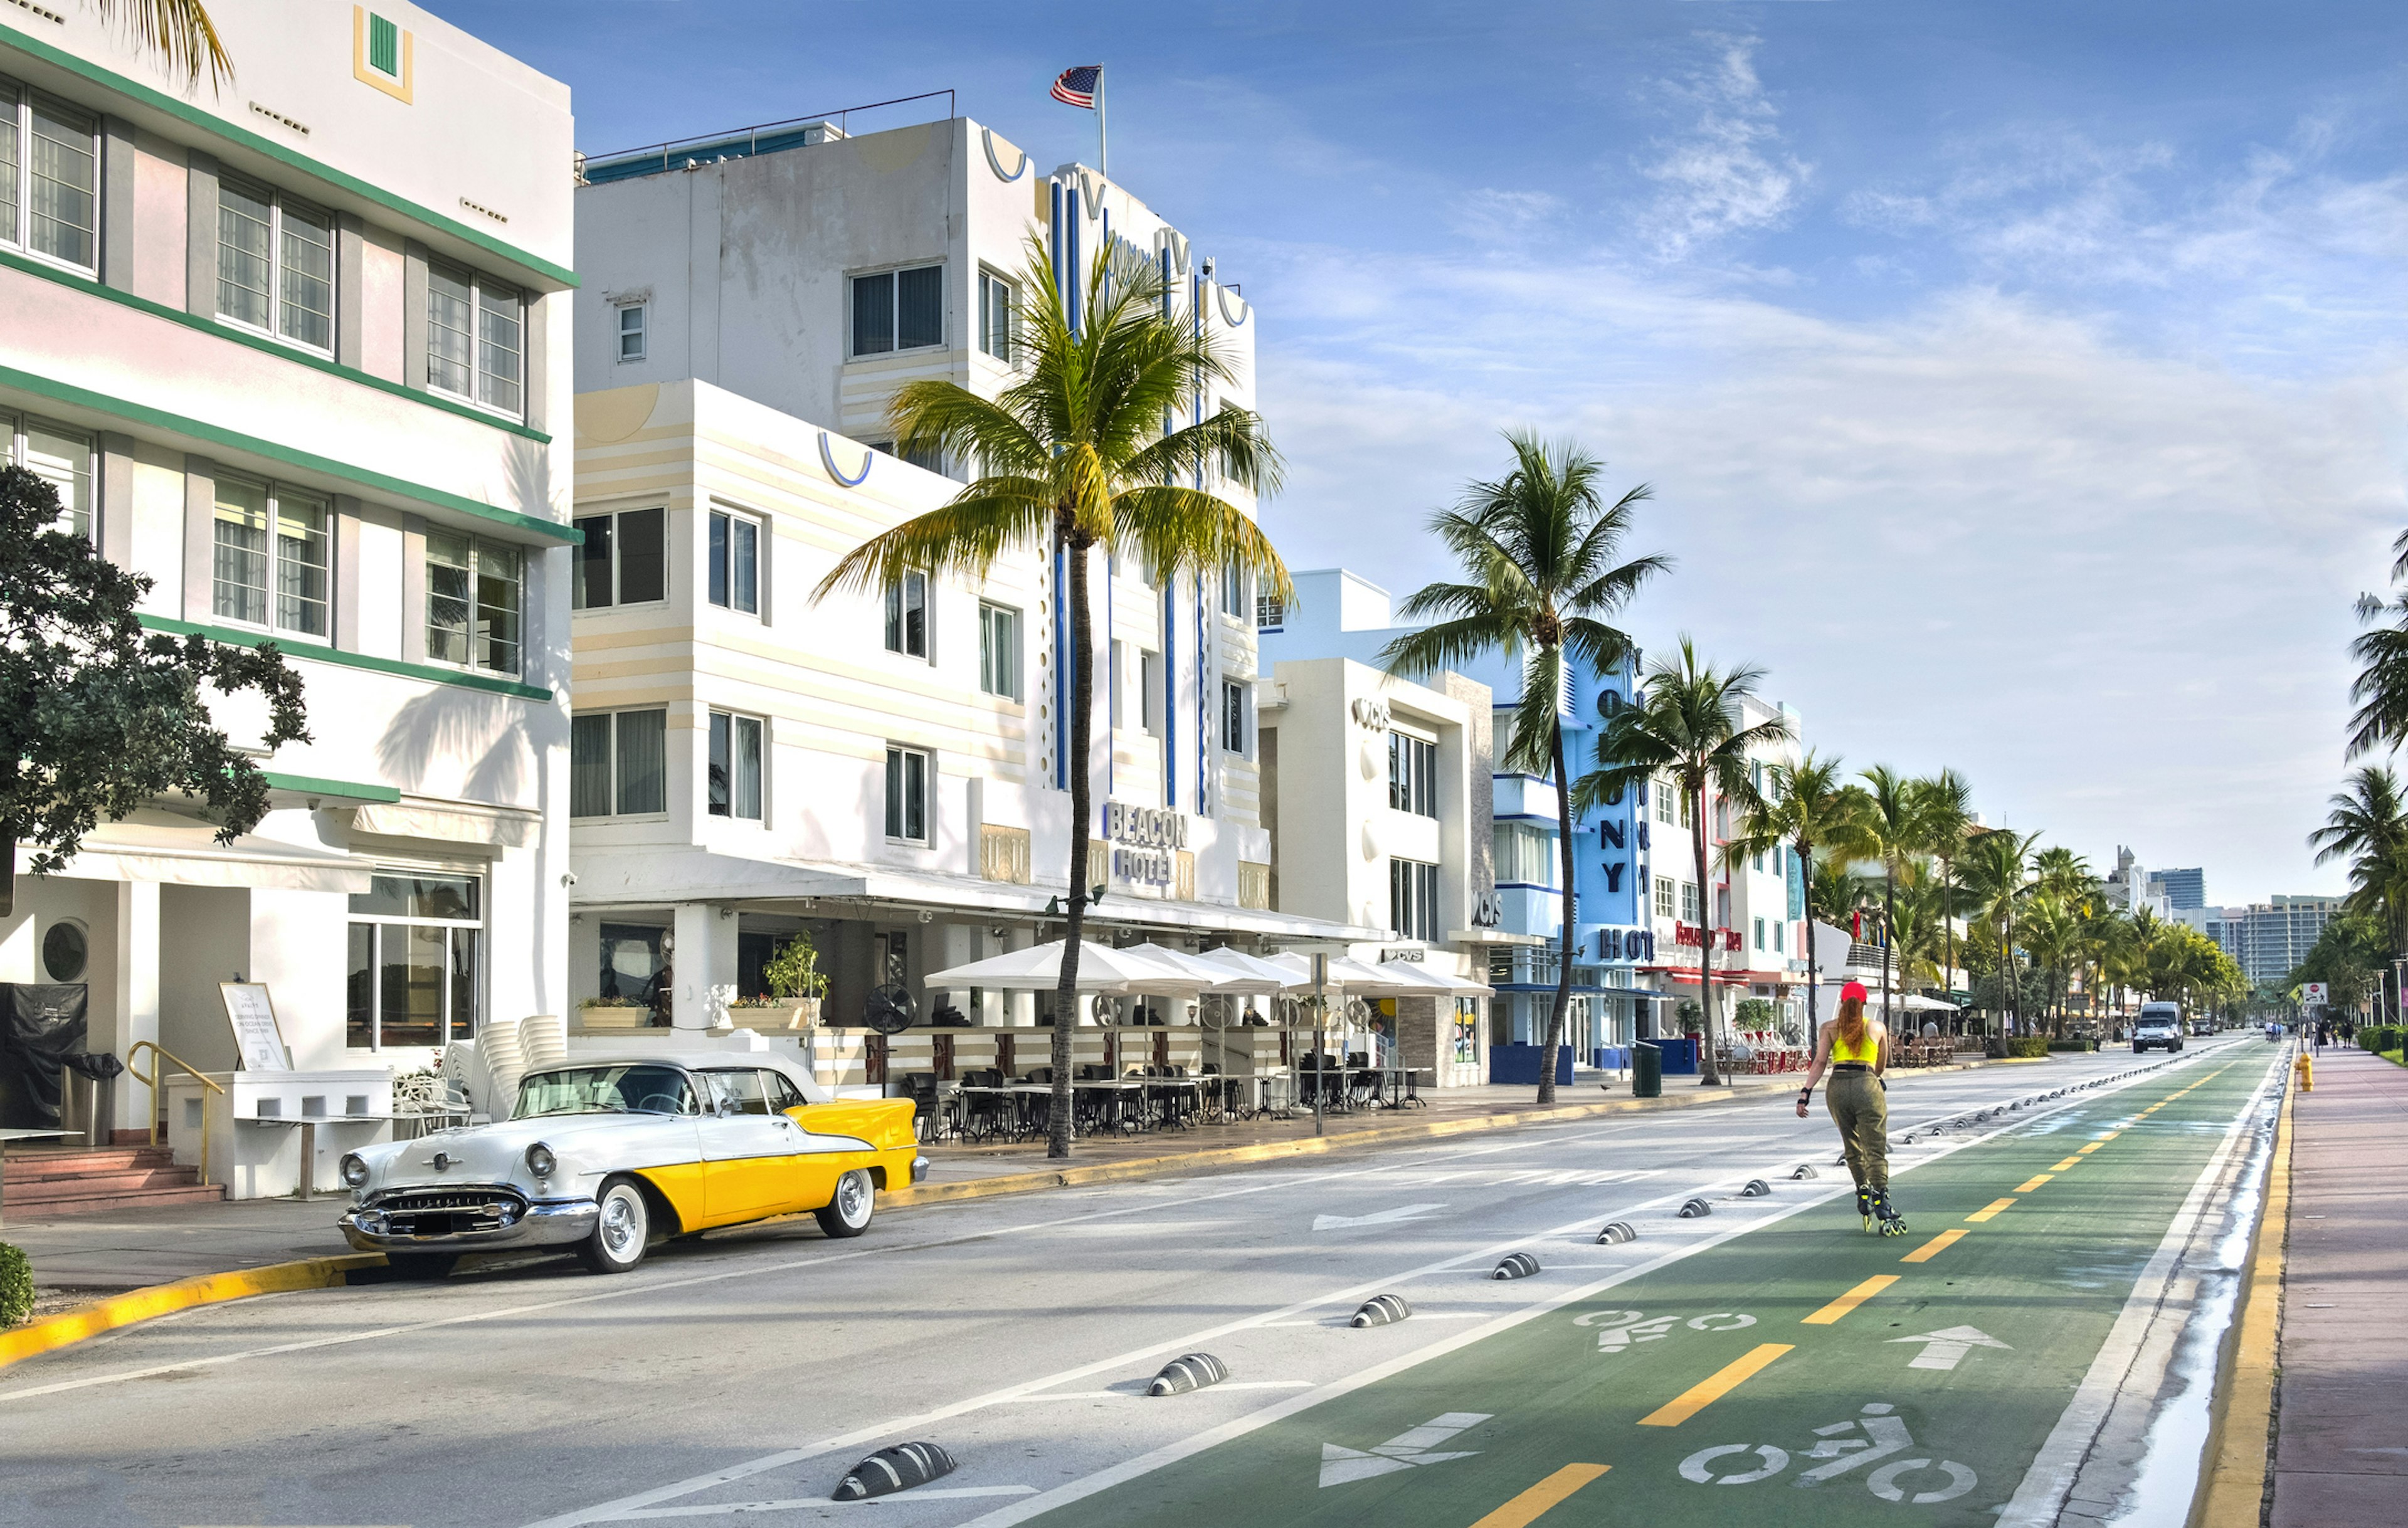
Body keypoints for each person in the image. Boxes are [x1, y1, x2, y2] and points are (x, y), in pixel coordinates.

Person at [1797, 980, 1906, 1235]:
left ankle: (1863, 1192)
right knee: (1875, 1147)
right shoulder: (1877, 1028)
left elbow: (1820, 1062)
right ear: (1864, 1003)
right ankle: (1882, 1200)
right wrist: (1872, 1079)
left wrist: (1805, 1094)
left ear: (1843, 1002)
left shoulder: (1829, 1028)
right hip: (1866, 1085)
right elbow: (1881, 1066)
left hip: (1836, 1088)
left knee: (1852, 1145)